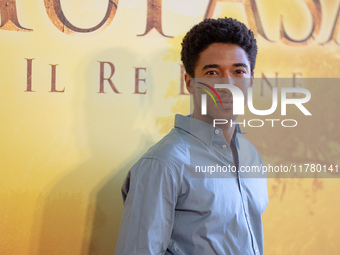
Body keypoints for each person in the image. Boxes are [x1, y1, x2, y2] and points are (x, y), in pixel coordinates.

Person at [115, 17, 268, 255]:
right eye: (212, 72)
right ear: (189, 82)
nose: (227, 83)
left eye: (238, 71)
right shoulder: (164, 163)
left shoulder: (251, 155)